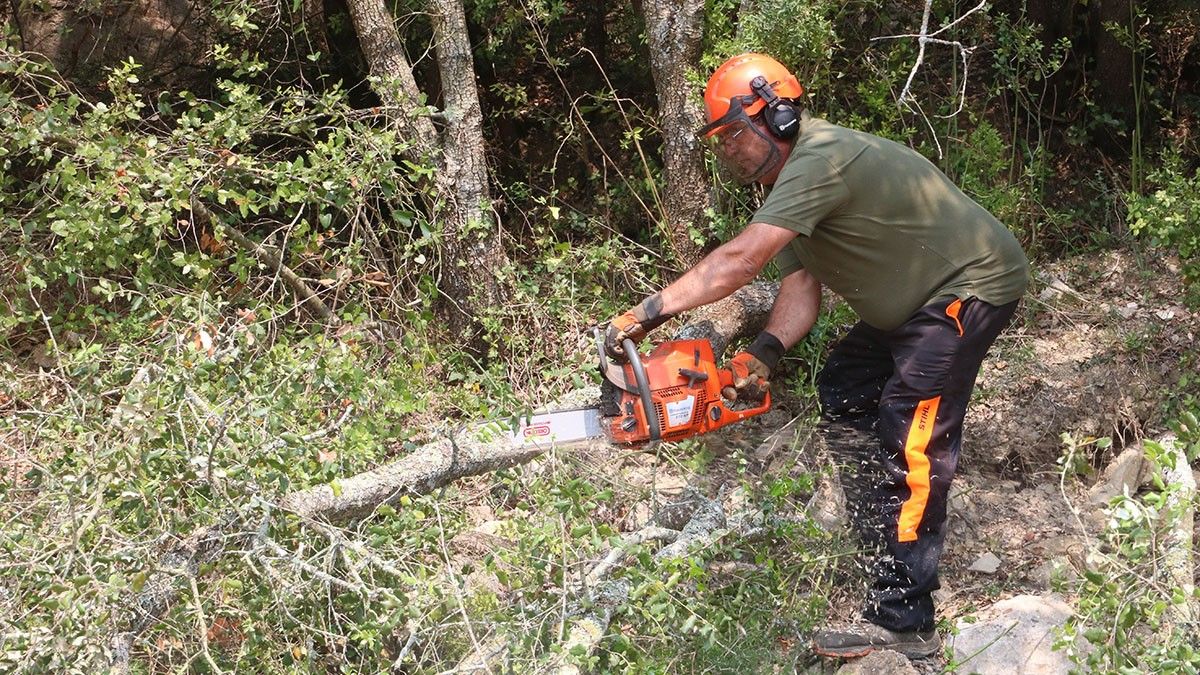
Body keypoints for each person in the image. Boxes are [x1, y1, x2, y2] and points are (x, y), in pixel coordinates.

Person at [603, 52, 1029, 659]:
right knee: (845, 389)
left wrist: (646, 314)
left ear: (773, 115)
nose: (726, 151)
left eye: (731, 135)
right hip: (913, 306)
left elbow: (738, 262)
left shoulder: (820, 157)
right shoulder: (783, 187)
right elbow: (799, 287)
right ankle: (885, 545)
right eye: (720, 140)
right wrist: (764, 354)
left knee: (911, 434)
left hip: (968, 289)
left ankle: (906, 625)